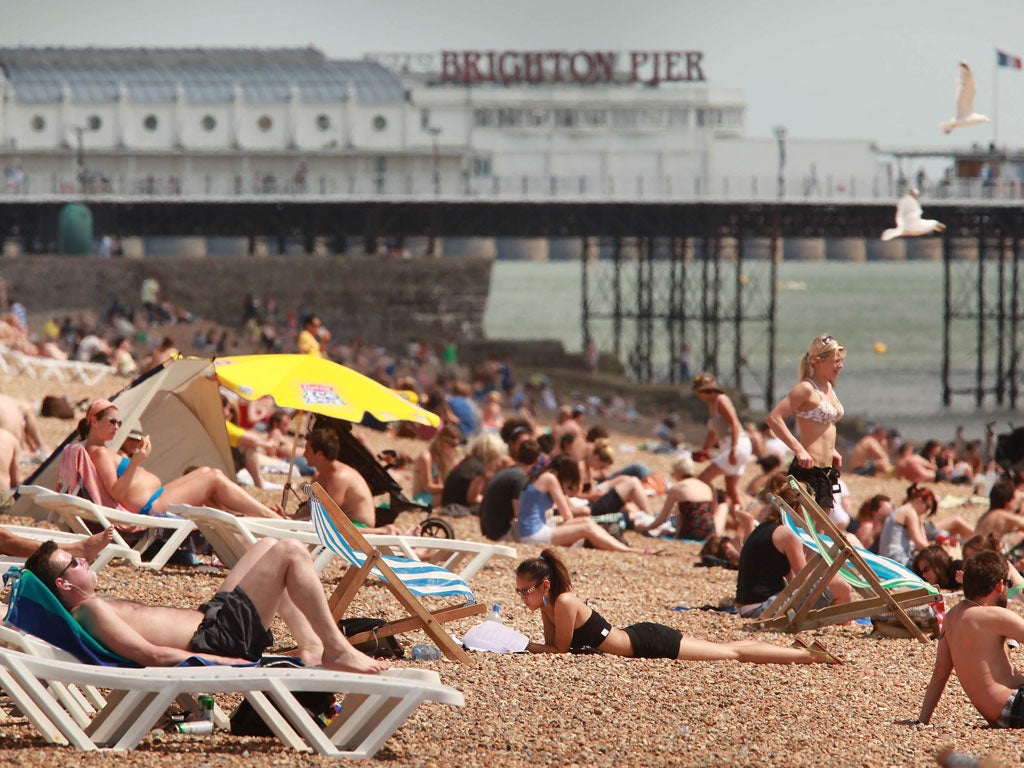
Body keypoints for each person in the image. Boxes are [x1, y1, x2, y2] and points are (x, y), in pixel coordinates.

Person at [25, 538, 388, 673]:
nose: (81, 560)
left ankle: (312, 648)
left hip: (210, 622)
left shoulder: (88, 606)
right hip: (216, 640)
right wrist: (225, 662)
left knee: (266, 545)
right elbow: (151, 655)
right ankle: (335, 648)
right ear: (63, 584)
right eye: (73, 563)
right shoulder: (89, 609)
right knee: (289, 553)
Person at [515, 548, 839, 664]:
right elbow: (557, 647)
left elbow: (557, 650)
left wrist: (523, 645)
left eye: (524, 591)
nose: (521, 598)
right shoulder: (550, 606)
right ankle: (795, 650)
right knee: (725, 647)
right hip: (637, 639)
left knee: (732, 653)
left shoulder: (565, 601)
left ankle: (811, 655)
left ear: (545, 585)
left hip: (647, 642)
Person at [80, 398, 280, 518]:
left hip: (155, 497)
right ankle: (269, 516)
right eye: (111, 422)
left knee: (206, 473)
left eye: (119, 423)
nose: (116, 427)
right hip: (150, 507)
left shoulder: (99, 451)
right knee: (213, 477)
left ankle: (251, 518)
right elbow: (116, 492)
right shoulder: (99, 452)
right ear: (93, 421)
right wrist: (136, 461)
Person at [917, 550, 1024, 727]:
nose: (1008, 588)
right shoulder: (993, 615)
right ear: (999, 585)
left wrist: (922, 720)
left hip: (997, 716)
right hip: (1014, 706)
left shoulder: (951, 617)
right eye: (1008, 583)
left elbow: (940, 673)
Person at [735, 477, 852, 619]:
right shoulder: (788, 535)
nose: (813, 515)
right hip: (762, 609)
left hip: (747, 606)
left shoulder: (765, 527)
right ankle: (843, 625)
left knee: (833, 583)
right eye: (811, 509)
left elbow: (792, 579)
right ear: (799, 509)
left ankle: (836, 623)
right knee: (841, 586)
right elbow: (803, 580)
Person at [765, 334, 845, 511]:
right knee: (805, 526)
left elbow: (823, 426)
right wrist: (799, 450)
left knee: (821, 530)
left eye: (840, 361)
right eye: (836, 361)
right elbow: (773, 418)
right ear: (817, 361)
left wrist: (834, 451)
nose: (840, 366)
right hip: (807, 468)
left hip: (827, 469)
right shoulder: (806, 388)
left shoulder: (829, 387)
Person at [517, 455, 633, 551]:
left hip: (529, 532)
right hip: (533, 535)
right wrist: (571, 534)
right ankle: (625, 550)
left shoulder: (541, 476)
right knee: (586, 527)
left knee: (586, 521)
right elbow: (567, 515)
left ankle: (621, 547)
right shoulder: (550, 479)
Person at [692, 373, 754, 535]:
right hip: (734, 445)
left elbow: (734, 424)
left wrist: (733, 449)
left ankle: (712, 515)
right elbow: (713, 434)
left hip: (737, 444)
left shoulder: (721, 400)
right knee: (732, 491)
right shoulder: (713, 404)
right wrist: (705, 450)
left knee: (704, 478)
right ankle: (746, 525)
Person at [636, 455, 716, 541]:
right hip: (709, 531)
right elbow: (712, 512)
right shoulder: (705, 486)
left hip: (691, 533)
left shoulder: (677, 488)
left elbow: (662, 519)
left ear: (678, 472)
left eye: (673, 473)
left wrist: (644, 529)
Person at [478, 439, 539, 542]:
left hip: (488, 530)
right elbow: (519, 514)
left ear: (517, 454)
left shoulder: (507, 472)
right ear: (537, 460)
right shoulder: (520, 478)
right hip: (500, 534)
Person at [439, 432, 506, 516]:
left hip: (447, 502)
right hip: (457, 507)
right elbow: (472, 498)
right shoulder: (480, 470)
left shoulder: (468, 461)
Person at [411, 423, 463, 507]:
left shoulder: (445, 458)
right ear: (444, 443)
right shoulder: (426, 457)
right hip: (421, 499)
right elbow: (427, 487)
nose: (455, 449)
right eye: (453, 445)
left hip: (436, 496)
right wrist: (450, 488)